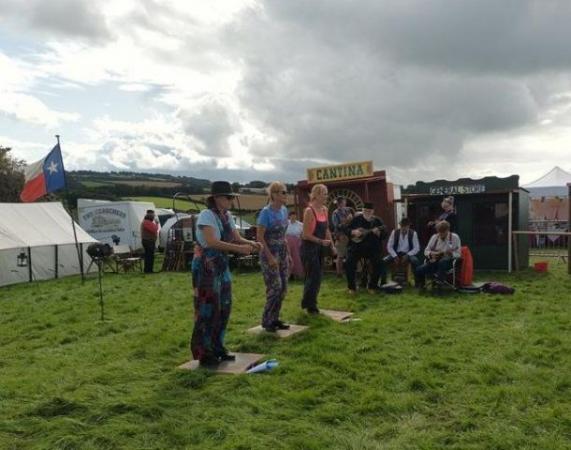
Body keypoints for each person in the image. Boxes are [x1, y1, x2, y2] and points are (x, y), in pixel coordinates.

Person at [190, 181, 263, 367]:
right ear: (216, 198)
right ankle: (203, 353)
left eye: (232, 197)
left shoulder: (226, 215)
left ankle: (217, 346)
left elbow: (235, 238)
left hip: (221, 265)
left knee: (224, 306)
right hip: (206, 265)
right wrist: (239, 250)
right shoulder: (207, 215)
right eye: (228, 197)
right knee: (208, 308)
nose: (231, 200)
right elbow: (212, 242)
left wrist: (251, 243)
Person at [257, 182, 291, 332]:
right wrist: (270, 257)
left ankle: (275, 318)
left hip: (282, 252)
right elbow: (260, 237)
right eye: (283, 192)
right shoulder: (266, 212)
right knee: (274, 287)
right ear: (275, 194)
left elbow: (284, 235)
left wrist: (288, 254)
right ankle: (267, 320)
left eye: (286, 192)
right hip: (269, 252)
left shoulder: (284, 210)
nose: (285, 195)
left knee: (283, 287)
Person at [301, 183, 336, 314]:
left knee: (318, 275)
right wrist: (321, 241)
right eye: (324, 193)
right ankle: (310, 305)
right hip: (309, 247)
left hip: (320, 247)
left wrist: (332, 246)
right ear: (315, 195)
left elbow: (326, 229)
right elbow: (305, 234)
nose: (326, 196)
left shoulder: (325, 210)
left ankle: (310, 302)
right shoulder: (309, 211)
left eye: (326, 193)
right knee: (313, 275)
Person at [345, 202, 387, 294]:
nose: (367, 212)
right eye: (366, 210)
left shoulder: (377, 221)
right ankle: (352, 287)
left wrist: (379, 233)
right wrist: (353, 232)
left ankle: (372, 286)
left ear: (373, 211)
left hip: (373, 248)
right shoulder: (356, 219)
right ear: (363, 210)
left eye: (370, 211)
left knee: (378, 262)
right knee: (349, 262)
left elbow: (384, 234)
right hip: (357, 247)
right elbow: (346, 230)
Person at [415, 220, 461, 289]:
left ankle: (439, 283)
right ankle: (421, 286)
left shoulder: (454, 237)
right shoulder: (435, 237)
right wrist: (431, 253)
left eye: (443, 232)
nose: (441, 234)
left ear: (448, 230)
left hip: (448, 263)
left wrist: (452, 254)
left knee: (443, 261)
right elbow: (426, 250)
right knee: (419, 269)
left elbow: (459, 254)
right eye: (439, 232)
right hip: (434, 261)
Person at [331, 197, 353, 277]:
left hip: (349, 235)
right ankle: (339, 273)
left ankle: (349, 272)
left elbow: (352, 222)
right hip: (340, 236)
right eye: (343, 202)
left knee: (349, 255)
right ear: (339, 204)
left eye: (345, 202)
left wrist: (351, 219)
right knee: (340, 255)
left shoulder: (348, 211)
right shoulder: (335, 213)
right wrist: (347, 220)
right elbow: (337, 226)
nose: (345, 204)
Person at [285, 210, 304, 279]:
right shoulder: (285, 223)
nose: (293, 217)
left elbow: (302, 234)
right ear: (289, 216)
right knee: (287, 258)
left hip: (297, 243)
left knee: (297, 258)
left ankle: (297, 274)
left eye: (294, 215)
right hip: (287, 242)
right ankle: (288, 275)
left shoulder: (300, 224)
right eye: (292, 215)